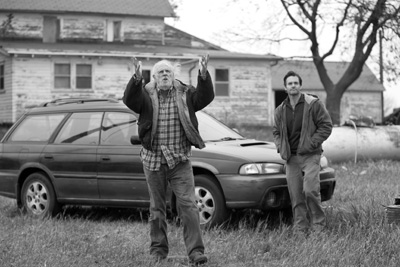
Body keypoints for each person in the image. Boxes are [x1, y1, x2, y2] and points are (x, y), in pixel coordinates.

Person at [123, 55, 214, 264]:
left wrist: (203, 74)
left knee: (189, 206)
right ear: (154, 77)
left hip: (179, 161)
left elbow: (204, 97)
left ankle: (195, 252)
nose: (165, 74)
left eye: (168, 72)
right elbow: (130, 100)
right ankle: (158, 251)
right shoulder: (145, 94)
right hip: (153, 160)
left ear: (174, 76)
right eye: (161, 72)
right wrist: (136, 79)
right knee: (157, 208)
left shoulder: (185, 93)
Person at [272, 71, 333, 233]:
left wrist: (312, 144)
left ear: (300, 85)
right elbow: (276, 132)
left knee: (310, 191)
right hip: (291, 158)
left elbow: (326, 126)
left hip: (310, 155)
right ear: (285, 88)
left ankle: (318, 227)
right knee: (296, 195)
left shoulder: (313, 104)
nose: (293, 85)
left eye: (295, 83)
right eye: (289, 83)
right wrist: (280, 147)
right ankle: (301, 228)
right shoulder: (280, 110)